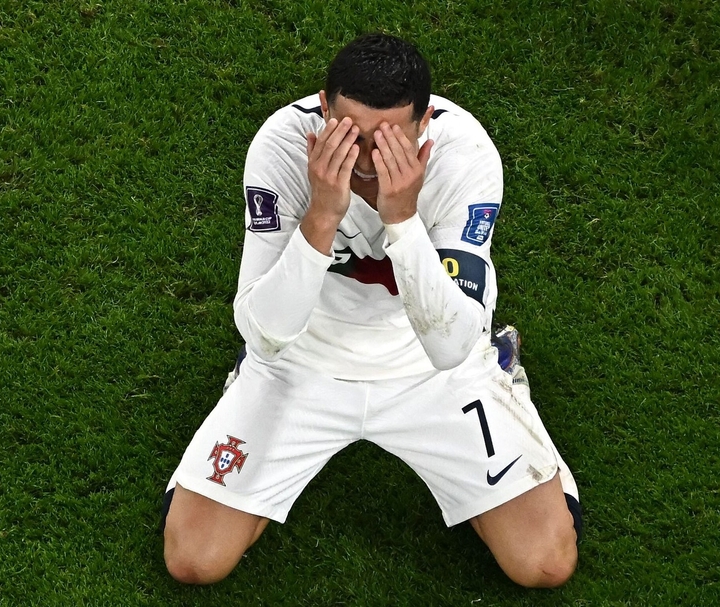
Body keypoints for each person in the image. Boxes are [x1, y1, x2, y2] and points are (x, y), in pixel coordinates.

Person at [162, 33, 581, 588]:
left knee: (544, 565)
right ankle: (245, 390)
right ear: (323, 106)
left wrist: (403, 219)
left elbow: (448, 347)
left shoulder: (466, 156)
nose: (361, 160)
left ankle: (502, 369)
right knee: (194, 559)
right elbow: (264, 336)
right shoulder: (283, 146)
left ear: (425, 122)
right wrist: (321, 215)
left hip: (433, 369)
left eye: (386, 141)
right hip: (299, 360)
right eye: (347, 134)